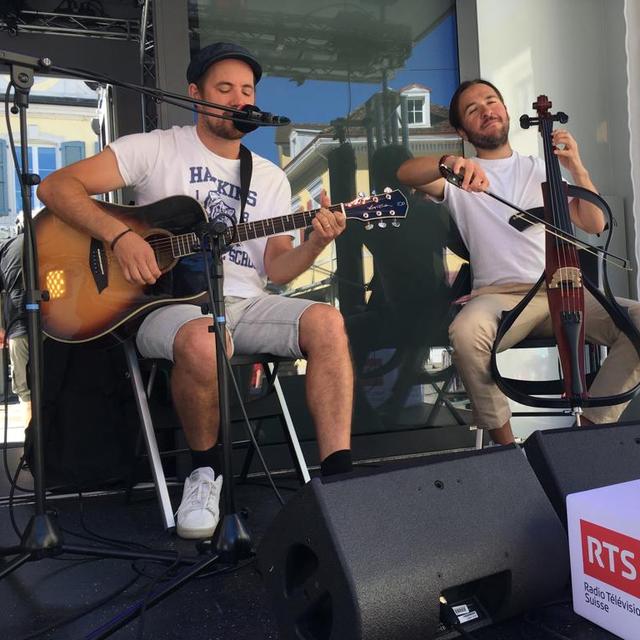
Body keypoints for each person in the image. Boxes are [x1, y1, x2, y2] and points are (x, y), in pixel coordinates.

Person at [37, 42, 354, 539]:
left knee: (327, 322)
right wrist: (119, 236)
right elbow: (56, 188)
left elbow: (280, 267)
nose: (238, 98)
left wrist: (315, 240)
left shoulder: (268, 176)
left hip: (244, 301)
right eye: (224, 88)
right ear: (194, 95)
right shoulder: (156, 147)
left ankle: (340, 480)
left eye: (246, 90)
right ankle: (205, 476)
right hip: (163, 307)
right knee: (206, 338)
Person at [396, 78, 640, 445]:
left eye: (491, 101)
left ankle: (587, 437)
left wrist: (577, 167)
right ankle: (507, 448)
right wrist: (448, 162)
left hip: (565, 289)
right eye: (473, 109)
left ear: (507, 111)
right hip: (502, 298)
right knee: (465, 333)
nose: (486, 111)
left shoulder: (541, 168)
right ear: (462, 129)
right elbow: (404, 173)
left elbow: (594, 222)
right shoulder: (456, 177)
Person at [0, 232, 30, 425]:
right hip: (55, 328)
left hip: (18, 330)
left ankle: (31, 450)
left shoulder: (6, 249)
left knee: (27, 396)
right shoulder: (50, 240)